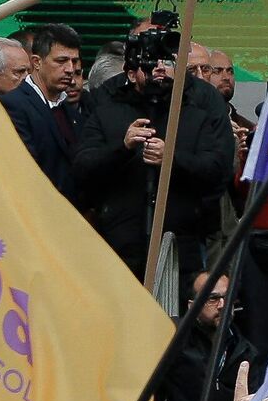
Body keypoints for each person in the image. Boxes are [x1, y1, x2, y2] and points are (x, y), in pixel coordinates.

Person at [72, 22, 235, 277]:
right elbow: (83, 168)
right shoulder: (107, 107)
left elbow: (217, 169)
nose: (160, 70)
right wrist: (123, 147)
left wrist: (172, 159)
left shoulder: (196, 110)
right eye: (150, 65)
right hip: (119, 243)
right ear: (130, 73)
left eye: (167, 63)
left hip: (180, 245)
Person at [154, 272, 257, 401]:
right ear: (192, 305)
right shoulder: (174, 337)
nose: (222, 304)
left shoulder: (246, 352)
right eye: (213, 298)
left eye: (228, 297)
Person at [0, 23, 83, 198]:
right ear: (37, 62)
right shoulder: (14, 105)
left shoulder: (69, 107)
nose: (70, 69)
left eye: (74, 61)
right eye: (61, 61)